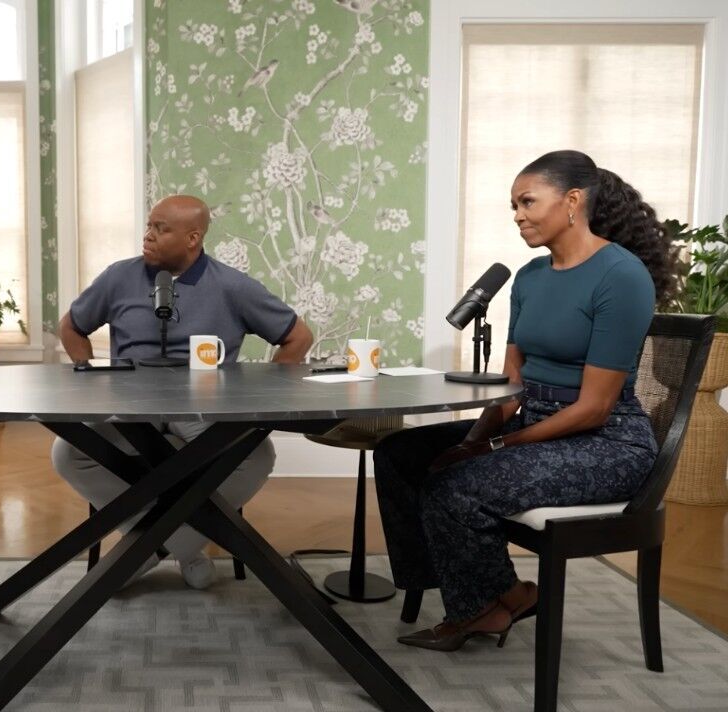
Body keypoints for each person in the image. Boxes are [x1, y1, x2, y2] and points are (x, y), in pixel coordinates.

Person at [373, 149, 677, 651]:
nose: (517, 215)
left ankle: (482, 610)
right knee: (399, 453)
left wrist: (492, 449)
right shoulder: (530, 276)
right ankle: (485, 592)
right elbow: (511, 389)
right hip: (533, 422)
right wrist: (472, 440)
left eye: (527, 202)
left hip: (606, 444)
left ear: (572, 201)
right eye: (513, 205)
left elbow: (594, 408)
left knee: (457, 486)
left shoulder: (620, 276)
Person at [53, 194, 313, 590]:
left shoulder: (232, 286)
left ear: (193, 238)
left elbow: (298, 337)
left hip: (203, 410)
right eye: (148, 226)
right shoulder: (118, 278)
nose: (148, 235)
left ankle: (145, 551)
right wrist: (89, 376)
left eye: (160, 229)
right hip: (128, 406)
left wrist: (264, 393)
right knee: (69, 453)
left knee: (256, 456)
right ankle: (186, 548)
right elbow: (71, 326)